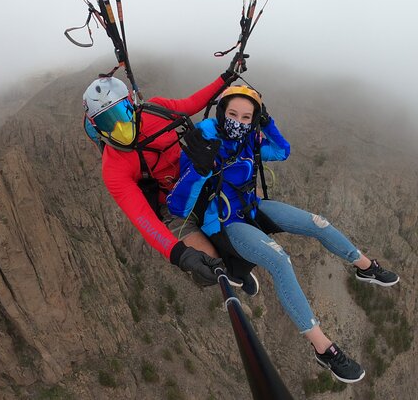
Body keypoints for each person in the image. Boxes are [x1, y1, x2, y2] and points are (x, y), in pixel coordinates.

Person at [166, 85, 400, 383]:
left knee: (318, 223)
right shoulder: (205, 142)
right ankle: (324, 348)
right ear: (222, 112)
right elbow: (178, 205)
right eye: (233, 114)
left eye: (247, 116)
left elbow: (282, 150)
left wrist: (268, 124)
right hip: (226, 222)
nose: (238, 121)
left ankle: (366, 267)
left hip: (253, 207)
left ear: (254, 119)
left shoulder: (249, 139)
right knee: (280, 260)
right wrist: (199, 168)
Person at [82, 72, 231, 287]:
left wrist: (225, 78)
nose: (118, 127)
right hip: (173, 207)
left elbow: (192, 103)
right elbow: (143, 218)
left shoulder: (157, 110)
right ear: (96, 127)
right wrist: (179, 254)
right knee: (212, 267)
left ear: (131, 104)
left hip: (200, 176)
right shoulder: (113, 167)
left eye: (121, 114)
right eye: (107, 121)